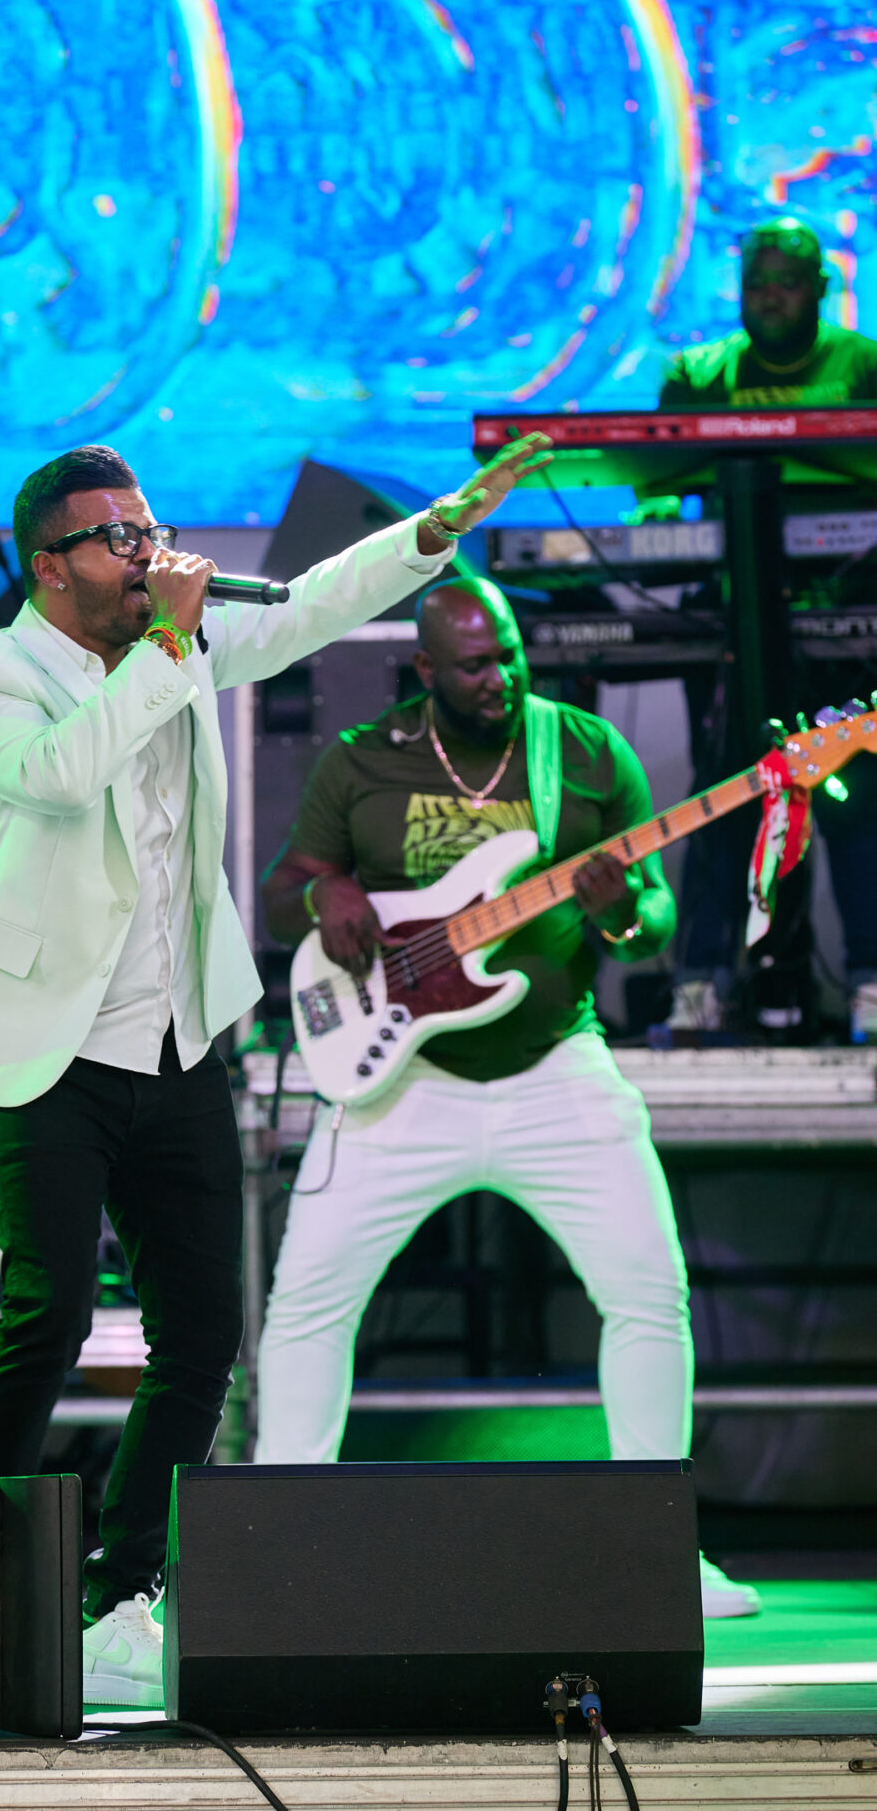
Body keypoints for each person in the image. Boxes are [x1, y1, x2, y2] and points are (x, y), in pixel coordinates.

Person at [0, 432, 549, 1708]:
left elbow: (312, 603)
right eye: (117, 537)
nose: (146, 552)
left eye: (150, 529)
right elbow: (59, 776)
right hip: (47, 1044)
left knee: (202, 1330)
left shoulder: (184, 640)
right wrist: (168, 642)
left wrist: (436, 528)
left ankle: (119, 1592)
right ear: (51, 566)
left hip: (176, 1039)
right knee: (45, 1316)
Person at [252, 576, 760, 1621]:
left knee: (647, 1295)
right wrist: (326, 890)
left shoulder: (581, 750)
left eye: (512, 656)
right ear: (425, 669)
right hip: (398, 1081)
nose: (501, 679)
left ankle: (659, 1551)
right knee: (305, 1306)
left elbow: (653, 921)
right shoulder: (363, 757)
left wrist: (621, 915)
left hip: (553, 1071)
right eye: (476, 666)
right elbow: (280, 892)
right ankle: (278, 1551)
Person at [657, 219, 877, 1038]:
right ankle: (702, 981)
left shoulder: (863, 366)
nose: (768, 296)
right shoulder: (699, 373)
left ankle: (868, 978)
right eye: (755, 281)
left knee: (853, 795)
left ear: (820, 287)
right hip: (732, 610)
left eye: (786, 280)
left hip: (846, 608)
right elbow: (657, 485)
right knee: (726, 791)